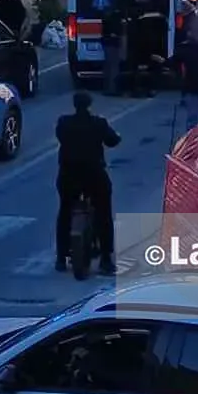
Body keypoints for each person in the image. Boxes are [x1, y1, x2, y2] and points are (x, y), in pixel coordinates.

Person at [55, 91, 120, 275]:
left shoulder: (64, 123)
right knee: (104, 212)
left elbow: (60, 136)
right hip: (93, 175)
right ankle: (106, 259)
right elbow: (112, 140)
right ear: (89, 105)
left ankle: (61, 258)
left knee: (65, 211)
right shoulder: (99, 123)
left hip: (68, 175)